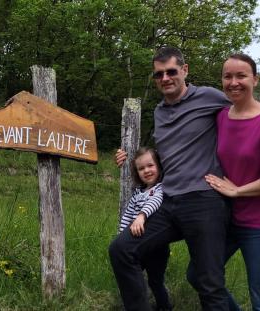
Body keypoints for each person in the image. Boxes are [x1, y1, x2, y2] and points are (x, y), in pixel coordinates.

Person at [109, 46, 232, 311]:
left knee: (208, 282)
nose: (164, 78)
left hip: (203, 200)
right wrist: (127, 158)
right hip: (168, 202)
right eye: (158, 74)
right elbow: (163, 158)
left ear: (185, 70)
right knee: (121, 250)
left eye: (171, 72)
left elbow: (245, 115)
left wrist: (240, 180)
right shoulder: (159, 112)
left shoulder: (209, 97)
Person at [204, 53, 260, 310]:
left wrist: (238, 191)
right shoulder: (220, 116)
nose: (233, 82)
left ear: (255, 79)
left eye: (241, 75)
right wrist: (131, 157)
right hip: (226, 220)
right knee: (200, 276)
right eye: (227, 76)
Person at [118, 147, 173, 311]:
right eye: (141, 168)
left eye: (150, 165)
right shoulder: (137, 193)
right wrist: (122, 238)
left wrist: (142, 216)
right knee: (132, 276)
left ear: (159, 166)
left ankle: (165, 307)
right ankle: (135, 305)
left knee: (155, 281)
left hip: (157, 247)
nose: (146, 170)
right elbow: (127, 215)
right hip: (137, 244)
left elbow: (154, 202)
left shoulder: (161, 188)